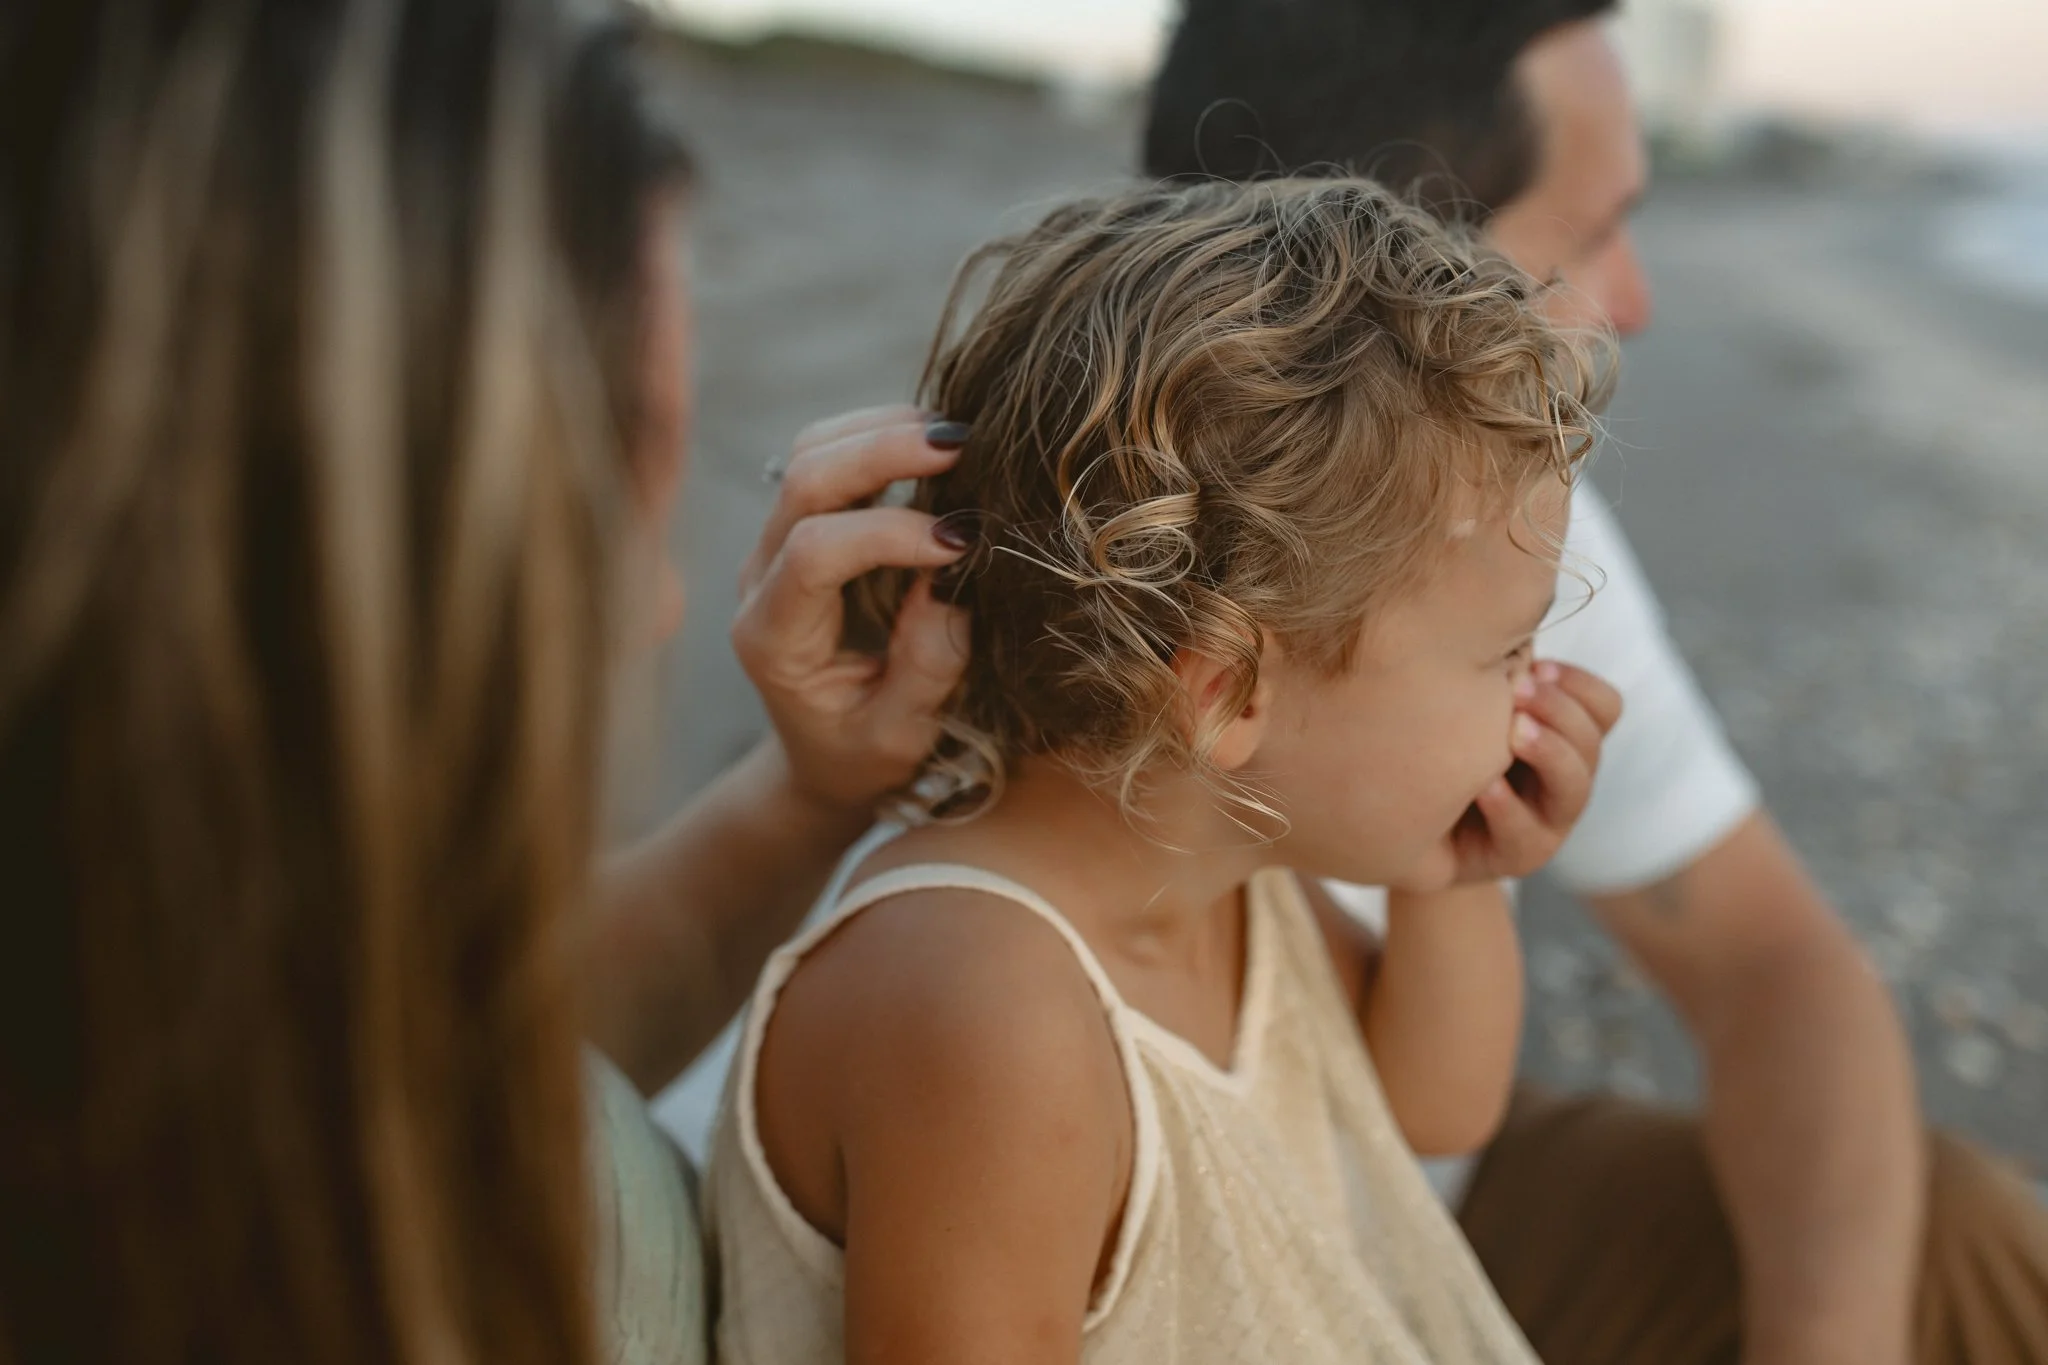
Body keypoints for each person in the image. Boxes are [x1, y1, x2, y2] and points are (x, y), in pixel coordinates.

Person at [0, 2, 971, 1361]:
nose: (661, 607)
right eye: (599, 487)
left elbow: (442, 1046)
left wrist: (809, 796)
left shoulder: (174, 1001)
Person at [1143, 3, 2048, 1363]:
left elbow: (1770, 964)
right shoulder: (1088, 579)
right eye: (1585, 236)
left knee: (1955, 1235)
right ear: (1365, 278)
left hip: (1413, 1216)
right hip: (1175, 1270)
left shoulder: (1497, 521)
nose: (1634, 301)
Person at [704, 174, 1624, 1364]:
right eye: (1504, 651)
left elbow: (1433, 1107)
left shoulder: (1219, 869)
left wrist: (1448, 881)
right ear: (1228, 690)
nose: (1535, 692)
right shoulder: (985, 1006)